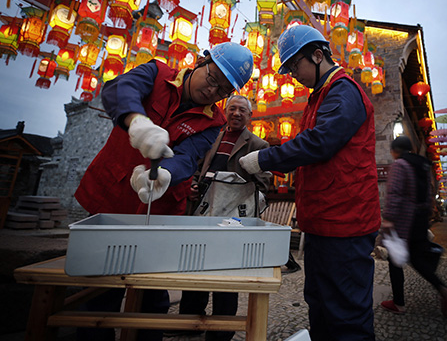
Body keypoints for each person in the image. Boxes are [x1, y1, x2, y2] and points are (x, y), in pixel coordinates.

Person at [74, 42, 253, 341]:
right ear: (200, 61)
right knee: (99, 289)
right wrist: (137, 123)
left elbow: (189, 154)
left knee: (152, 294)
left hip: (158, 206)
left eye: (222, 90)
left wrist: (166, 174)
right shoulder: (156, 73)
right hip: (113, 195)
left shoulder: (214, 121)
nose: (212, 92)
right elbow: (119, 88)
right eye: (211, 79)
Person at [239, 25, 381, 341]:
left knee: (346, 314)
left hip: (345, 223)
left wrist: (264, 159)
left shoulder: (343, 90)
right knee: (320, 303)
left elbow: (319, 143)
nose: (292, 75)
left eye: (294, 66)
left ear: (318, 55)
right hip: (323, 221)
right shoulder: (321, 95)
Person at [177, 94, 271, 341]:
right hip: (203, 214)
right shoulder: (212, 136)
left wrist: (236, 187)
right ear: (225, 112)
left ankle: (221, 330)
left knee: (227, 273)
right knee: (195, 266)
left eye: (242, 110)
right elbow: (199, 168)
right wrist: (194, 185)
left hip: (233, 222)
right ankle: (189, 320)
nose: (236, 113)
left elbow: (263, 184)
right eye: (232, 109)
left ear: (250, 116)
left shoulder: (258, 145)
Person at [380, 136, 447, 318]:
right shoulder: (421, 166)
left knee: (394, 260)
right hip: (420, 219)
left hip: (404, 221)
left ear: (395, 150)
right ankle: (443, 289)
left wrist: (389, 219)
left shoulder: (400, 165)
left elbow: (395, 193)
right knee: (417, 259)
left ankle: (398, 303)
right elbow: (429, 194)